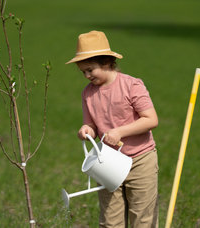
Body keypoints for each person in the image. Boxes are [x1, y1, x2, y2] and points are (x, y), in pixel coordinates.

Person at [66, 30, 159, 228]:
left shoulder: (131, 85)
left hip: (140, 160)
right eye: (83, 71)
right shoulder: (88, 94)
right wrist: (86, 130)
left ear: (107, 62)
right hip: (107, 163)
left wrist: (119, 132)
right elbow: (91, 123)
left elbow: (151, 119)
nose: (87, 75)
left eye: (90, 69)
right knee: (110, 220)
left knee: (143, 218)